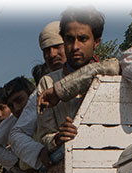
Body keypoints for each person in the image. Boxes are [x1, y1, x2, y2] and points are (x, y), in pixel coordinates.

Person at [34, 7, 106, 163]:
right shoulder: (47, 83)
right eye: (69, 39)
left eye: (83, 39)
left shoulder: (109, 75)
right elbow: (44, 135)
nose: (75, 47)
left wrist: (59, 91)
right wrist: (58, 138)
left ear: (96, 42)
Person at [6, 21, 69, 173]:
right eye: (46, 50)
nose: (52, 54)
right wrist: (40, 152)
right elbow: (17, 134)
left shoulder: (99, 73)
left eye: (57, 46)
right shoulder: (44, 86)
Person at [0, 76, 36, 173]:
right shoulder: (14, 123)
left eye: (2, 108)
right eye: (11, 105)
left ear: (32, 95)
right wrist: (19, 168)